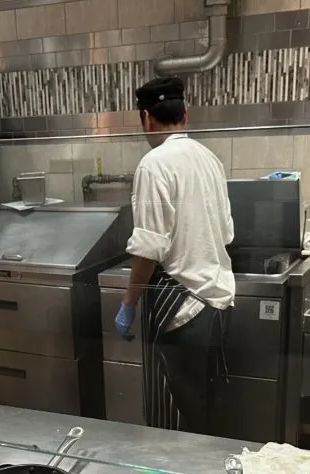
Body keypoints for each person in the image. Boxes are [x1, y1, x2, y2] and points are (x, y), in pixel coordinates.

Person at [114, 76, 235, 434]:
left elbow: (149, 249)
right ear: (186, 113)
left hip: (182, 309)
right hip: (216, 302)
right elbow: (227, 232)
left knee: (179, 410)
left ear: (146, 119)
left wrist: (129, 303)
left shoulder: (154, 163)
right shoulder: (210, 159)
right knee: (207, 402)